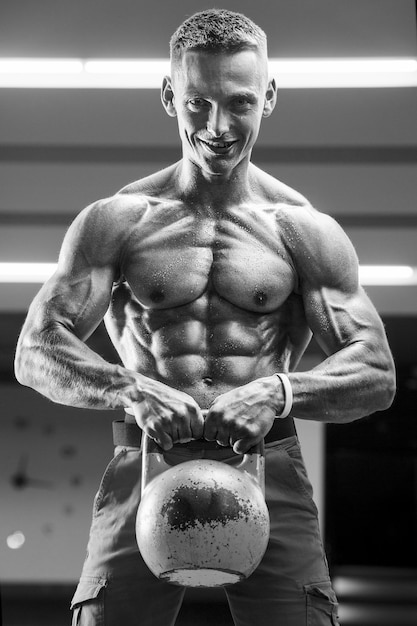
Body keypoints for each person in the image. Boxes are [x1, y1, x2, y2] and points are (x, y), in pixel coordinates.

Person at [15, 8, 396, 626]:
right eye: (198, 103)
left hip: (268, 462)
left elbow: (376, 374)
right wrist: (129, 386)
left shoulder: (302, 230)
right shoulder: (118, 220)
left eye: (239, 103)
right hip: (143, 460)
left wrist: (278, 392)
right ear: (170, 96)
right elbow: (35, 351)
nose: (218, 126)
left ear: (268, 98)